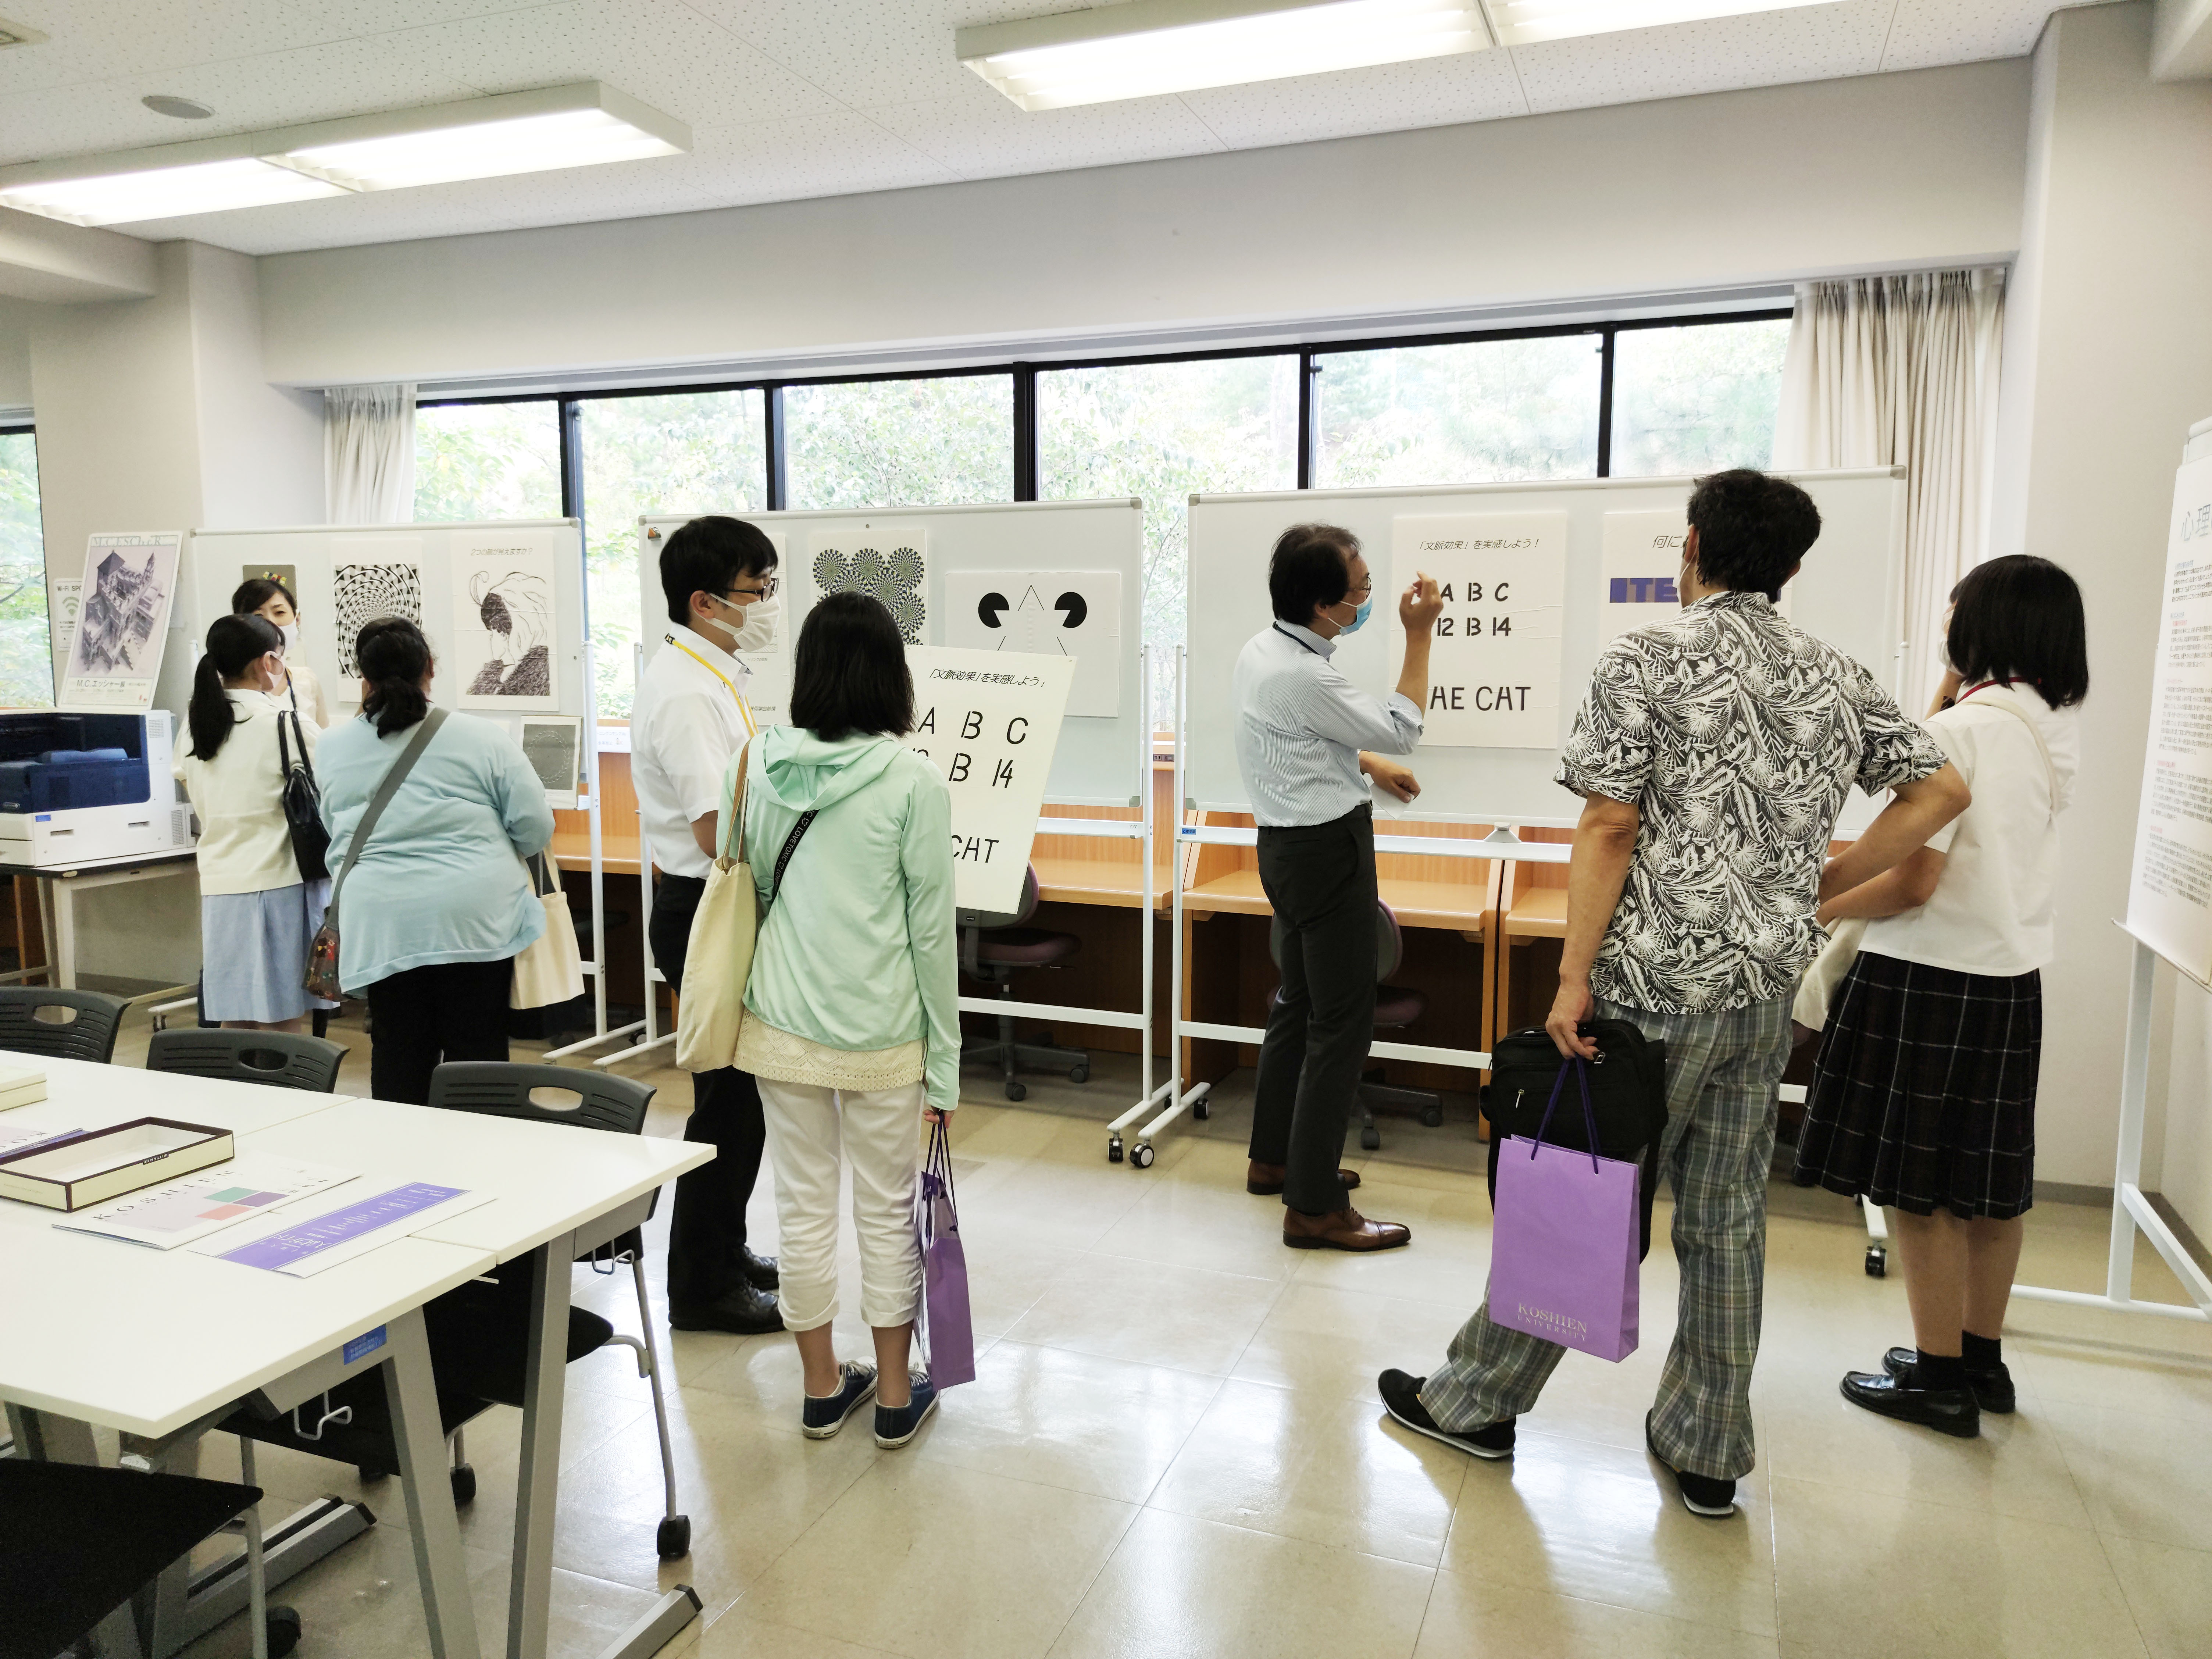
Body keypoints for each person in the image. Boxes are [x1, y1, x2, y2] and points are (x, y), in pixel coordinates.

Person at [1379, 469, 1970, 1518]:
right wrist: (1825, 880)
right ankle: (1706, 1448)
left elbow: (1609, 825)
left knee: (1584, 1195)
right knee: (1728, 1215)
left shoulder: (1645, 655)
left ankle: (1475, 1404)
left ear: (1690, 546)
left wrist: (1571, 977)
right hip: (1764, 990)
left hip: (1650, 987)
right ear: (1792, 567)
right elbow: (1940, 789)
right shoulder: (1836, 673)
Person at [1795, 555, 2087, 1438]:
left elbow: (1913, 880)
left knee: (1918, 1189)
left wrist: (1815, 900)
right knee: (1987, 1185)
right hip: (2006, 979)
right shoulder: (2043, 725)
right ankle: (1977, 1360)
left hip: (1929, 976)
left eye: (1954, 614)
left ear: (1982, 626)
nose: (1944, 627)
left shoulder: (1963, 733)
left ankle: (1934, 1377)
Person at [732, 592, 959, 1448]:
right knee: (886, 1209)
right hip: (881, 1032)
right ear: (890, 676)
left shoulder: (756, 763)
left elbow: (754, 887)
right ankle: (896, 1396)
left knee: (800, 1207)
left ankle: (822, 1387)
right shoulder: (911, 781)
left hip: (781, 1022)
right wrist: (946, 1066)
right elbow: (930, 935)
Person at [1232, 522, 1440, 1251]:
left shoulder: (1263, 651)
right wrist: (1420, 635)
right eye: (1360, 589)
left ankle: (1275, 1160)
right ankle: (1314, 1205)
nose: (1369, 598)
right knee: (1342, 1024)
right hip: (1327, 853)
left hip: (1285, 850)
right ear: (1322, 605)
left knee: (1298, 1003)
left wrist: (1363, 766)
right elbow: (1401, 728)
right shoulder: (1307, 674)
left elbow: (1293, 742)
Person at [630, 515, 784, 1334]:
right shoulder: (687, 692)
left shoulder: (708, 673)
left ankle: (724, 1248)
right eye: (758, 589)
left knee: (737, 1100)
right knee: (727, 1106)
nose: (766, 603)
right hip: (703, 908)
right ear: (704, 601)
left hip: (713, 905)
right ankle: (700, 1286)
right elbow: (710, 829)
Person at [317, 617, 555, 1104]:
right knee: (478, 1053)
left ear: (363, 677)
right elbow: (535, 825)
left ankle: (405, 1151)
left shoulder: (332, 746)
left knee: (398, 1053)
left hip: (383, 920)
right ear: (430, 667)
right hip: (474, 916)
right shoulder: (482, 737)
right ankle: (481, 1147)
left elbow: (333, 826)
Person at [176, 613, 338, 1034]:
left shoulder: (196, 724)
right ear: (268, 662)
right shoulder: (285, 723)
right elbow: (338, 786)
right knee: (284, 1016)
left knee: (236, 1014)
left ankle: (230, 1079)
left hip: (220, 884)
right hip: (280, 880)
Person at [234, 577, 330, 728]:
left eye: (279, 612)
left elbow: (324, 736)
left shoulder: (307, 680)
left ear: (297, 619)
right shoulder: (228, 686)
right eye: (258, 616)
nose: (271, 623)